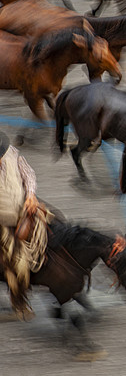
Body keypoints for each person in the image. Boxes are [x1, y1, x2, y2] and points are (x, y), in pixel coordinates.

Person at [0, 131, 49, 320]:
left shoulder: (12, 153)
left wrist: (30, 195)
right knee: (16, 263)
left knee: (56, 225)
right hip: (3, 223)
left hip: (24, 210)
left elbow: (28, 174)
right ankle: (18, 300)